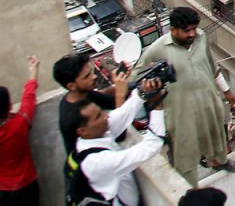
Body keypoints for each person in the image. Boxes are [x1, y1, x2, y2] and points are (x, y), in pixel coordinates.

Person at [133, 6, 235, 185]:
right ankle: (190, 190)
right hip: (181, 111)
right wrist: (148, 87)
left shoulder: (201, 38)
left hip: (209, 102)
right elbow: (137, 76)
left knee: (217, 138)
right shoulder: (158, 49)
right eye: (186, 31)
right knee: (186, 152)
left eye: (193, 29)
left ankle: (219, 162)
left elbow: (213, 67)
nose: (191, 34)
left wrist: (227, 92)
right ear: (172, 30)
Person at [67, 78, 165, 206]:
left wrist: (141, 93)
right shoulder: (97, 162)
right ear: (82, 131)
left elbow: (122, 114)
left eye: (100, 112)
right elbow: (152, 146)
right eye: (98, 116)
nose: (105, 116)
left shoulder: (92, 136)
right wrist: (156, 105)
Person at [53, 53, 129, 153]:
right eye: (87, 76)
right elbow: (120, 136)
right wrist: (120, 94)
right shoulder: (74, 115)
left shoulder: (85, 94)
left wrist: (120, 83)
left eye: (91, 72)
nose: (94, 77)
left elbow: (110, 101)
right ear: (71, 86)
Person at [0, 56, 40, 206]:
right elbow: (29, 98)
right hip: (27, 185)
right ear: (9, 106)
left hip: (3, 190)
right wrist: (33, 70)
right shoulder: (20, 122)